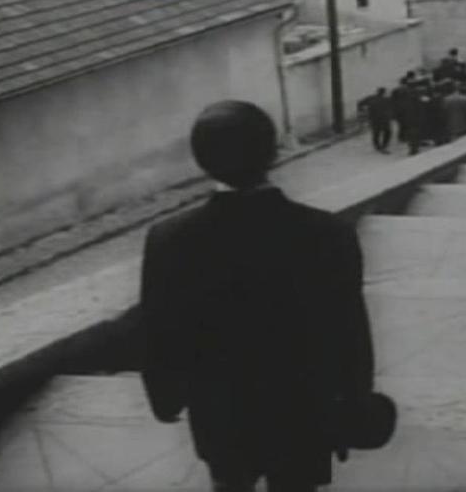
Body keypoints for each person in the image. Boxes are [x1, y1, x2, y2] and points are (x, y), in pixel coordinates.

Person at [139, 101, 375, 492]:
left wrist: (164, 396)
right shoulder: (327, 233)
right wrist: (353, 402)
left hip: (219, 408)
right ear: (273, 152)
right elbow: (350, 329)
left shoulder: (170, 238)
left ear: (201, 161)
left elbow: (159, 329)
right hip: (303, 407)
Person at [359, 88, 394, 152]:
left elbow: (360, 103)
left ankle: (378, 146)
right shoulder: (387, 99)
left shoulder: (371, 98)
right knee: (387, 132)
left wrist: (362, 111)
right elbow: (393, 107)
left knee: (376, 133)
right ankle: (384, 145)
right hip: (384, 119)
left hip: (374, 119)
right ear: (384, 93)